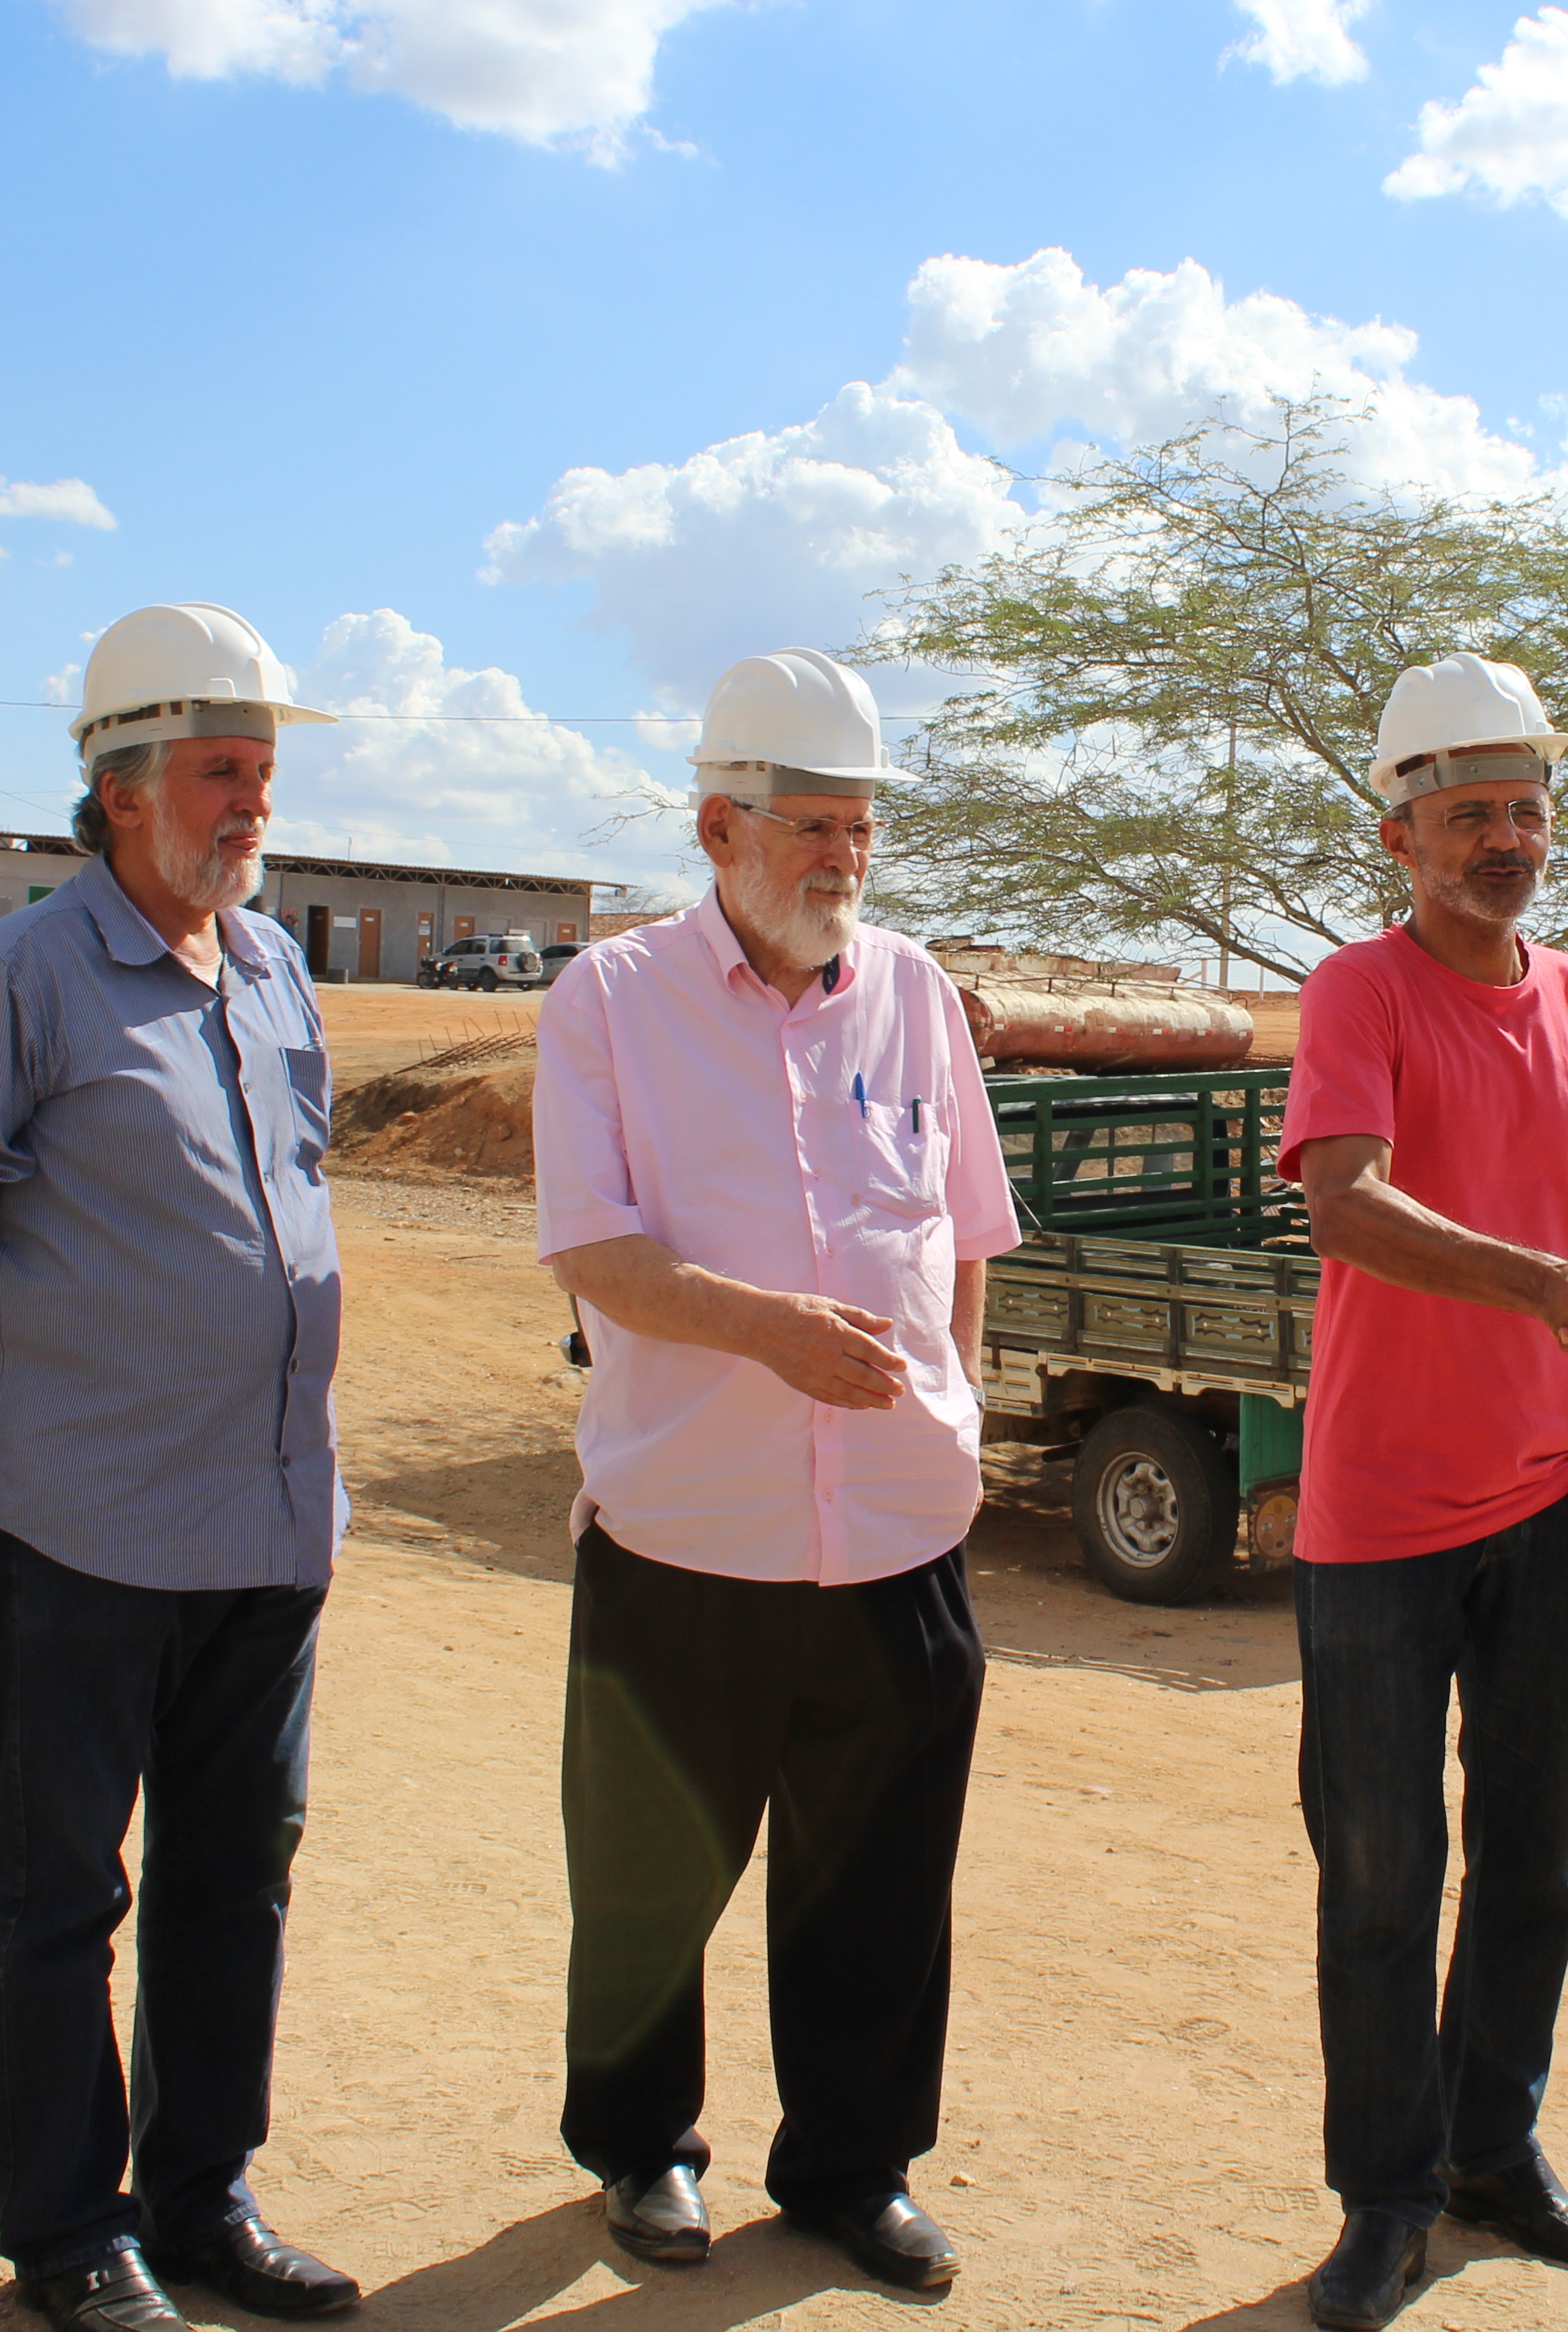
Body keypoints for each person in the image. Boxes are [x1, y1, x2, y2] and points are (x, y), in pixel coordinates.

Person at [0, 602, 356, 2332]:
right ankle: (69, 2230)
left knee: (239, 1873)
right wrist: (50, 1391)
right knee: (62, 1882)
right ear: (117, 781)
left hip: (269, 1520)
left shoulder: (274, 964)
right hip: (74, 1525)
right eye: (224, 768)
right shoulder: (20, 977)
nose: (253, 801)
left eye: (266, 770)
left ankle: (202, 2194)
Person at [533, 647, 1018, 2295]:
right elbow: (592, 1248)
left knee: (878, 1881)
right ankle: (645, 2152)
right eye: (810, 824)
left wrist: (945, 1395)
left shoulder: (918, 994)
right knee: (650, 1873)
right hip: (688, 1532)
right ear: (715, 827)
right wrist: (764, 1332)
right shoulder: (608, 1001)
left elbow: (963, 1231)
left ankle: (850, 2167)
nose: (842, 858)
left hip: (893, 1534)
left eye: (860, 827)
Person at [1274, 656, 1568, 2332]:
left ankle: (1493, 2158)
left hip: (1552, 1507)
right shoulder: (1357, 994)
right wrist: (1548, 1296)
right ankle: (1385, 2196)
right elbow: (1348, 1208)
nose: (1506, 840)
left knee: (1536, 1859)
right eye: (1468, 817)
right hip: (1379, 1518)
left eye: (1526, 811)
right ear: (1401, 837)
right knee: (1379, 1870)